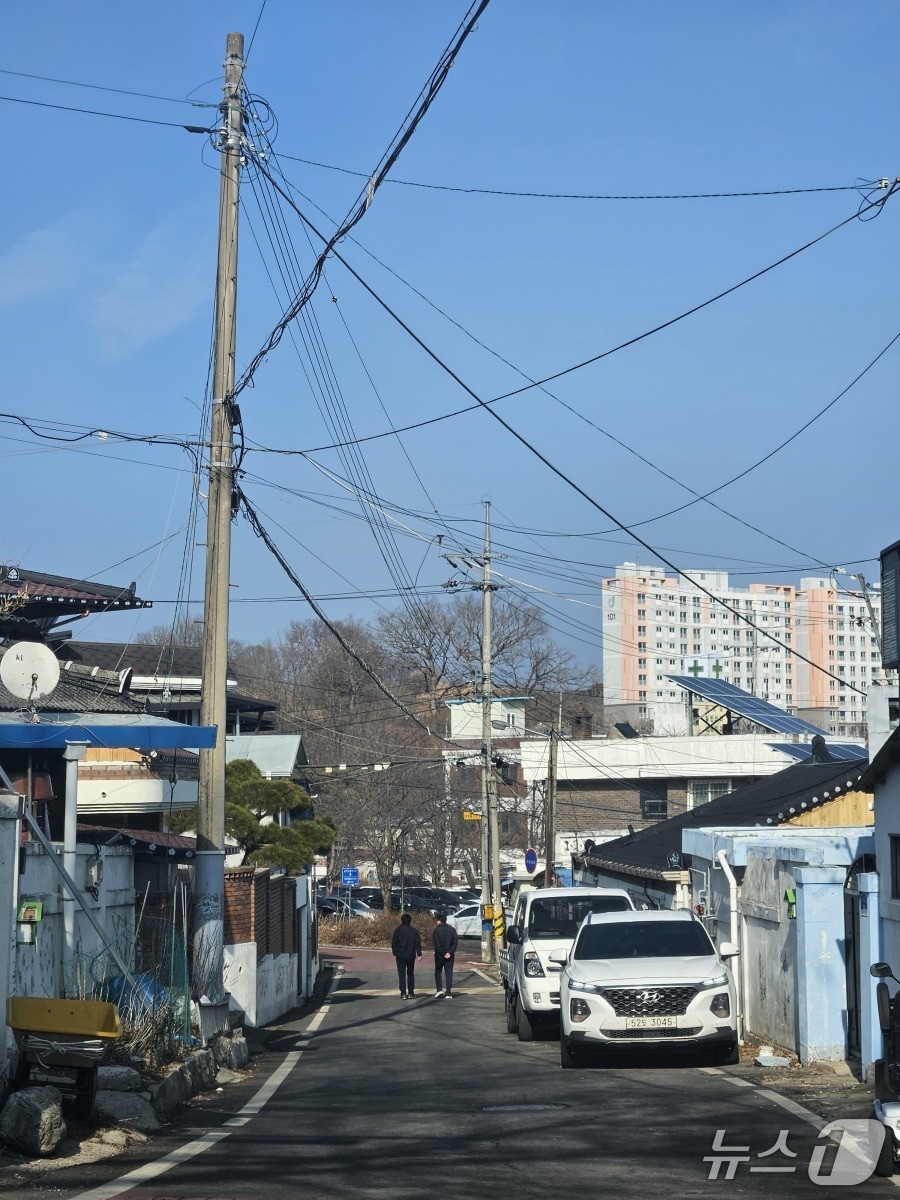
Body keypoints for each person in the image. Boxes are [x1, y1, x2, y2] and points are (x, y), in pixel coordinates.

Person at [391, 912, 422, 999]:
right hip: (411, 955)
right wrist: (419, 954)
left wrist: (395, 952)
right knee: (410, 973)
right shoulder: (414, 931)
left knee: (401, 974)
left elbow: (394, 943)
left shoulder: (398, 930)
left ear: (402, 920)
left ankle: (403, 993)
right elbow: (417, 944)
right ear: (410, 921)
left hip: (400, 955)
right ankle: (411, 992)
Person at [432, 913, 458, 999]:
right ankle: (448, 992)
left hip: (439, 956)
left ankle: (439, 990)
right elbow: (455, 943)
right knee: (449, 973)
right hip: (450, 956)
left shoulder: (436, 931)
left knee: (438, 972)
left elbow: (437, 944)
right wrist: (449, 952)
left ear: (439, 921)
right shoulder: (452, 930)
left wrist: (443, 953)